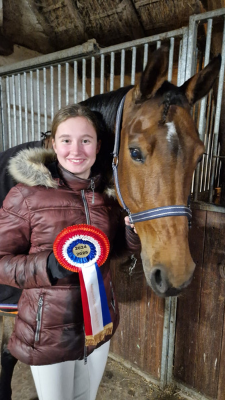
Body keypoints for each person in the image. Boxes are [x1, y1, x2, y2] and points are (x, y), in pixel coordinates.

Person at [0, 103, 140, 400]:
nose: (76, 150)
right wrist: (48, 266)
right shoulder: (25, 196)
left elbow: (112, 252)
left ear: (98, 145)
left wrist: (132, 233)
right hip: (50, 332)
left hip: (99, 326)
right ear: (53, 143)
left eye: (85, 140)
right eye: (66, 140)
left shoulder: (105, 197)